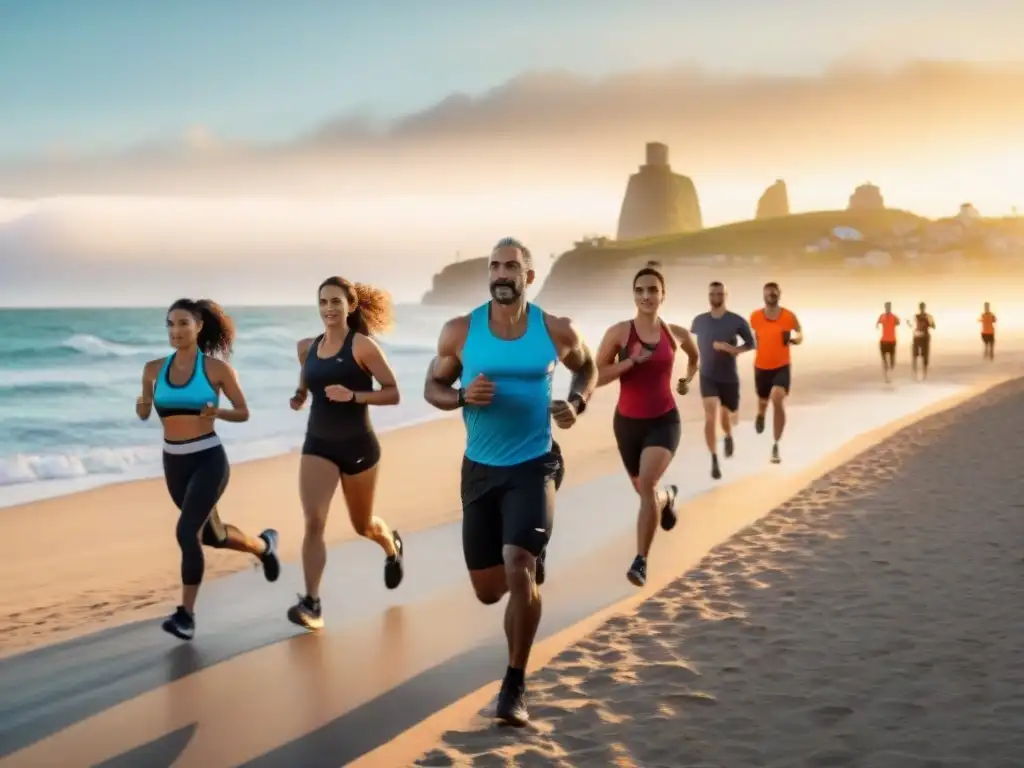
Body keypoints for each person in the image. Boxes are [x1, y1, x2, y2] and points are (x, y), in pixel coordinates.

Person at [423, 237, 597, 727]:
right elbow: (431, 386)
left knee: (518, 564)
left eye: (511, 266)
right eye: (495, 266)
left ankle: (515, 683)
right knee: (488, 590)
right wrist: (460, 397)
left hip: (535, 463)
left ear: (529, 277)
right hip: (480, 469)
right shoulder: (460, 332)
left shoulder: (555, 330)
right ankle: (526, 570)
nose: (502, 273)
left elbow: (588, 368)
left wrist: (577, 403)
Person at [136, 299, 280, 641]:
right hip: (174, 463)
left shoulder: (216, 370)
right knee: (210, 535)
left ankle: (186, 616)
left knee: (186, 532)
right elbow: (144, 412)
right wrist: (141, 404)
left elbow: (243, 412)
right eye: (170, 324)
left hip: (208, 460)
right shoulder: (153, 370)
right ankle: (264, 547)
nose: (176, 331)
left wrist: (217, 413)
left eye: (183, 323)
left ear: (199, 326)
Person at [286, 277, 404, 631]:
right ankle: (312, 602)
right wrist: (300, 395)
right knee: (314, 521)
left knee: (363, 525)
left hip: (357, 446)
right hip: (317, 444)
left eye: (336, 301)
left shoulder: (362, 347)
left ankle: (391, 546)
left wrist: (353, 396)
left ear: (350, 306)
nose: (329, 308)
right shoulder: (306, 347)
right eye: (323, 301)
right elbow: (307, 379)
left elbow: (393, 392)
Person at [595, 261, 698, 585]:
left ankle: (641, 561)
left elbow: (695, 357)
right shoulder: (619, 333)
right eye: (640, 290)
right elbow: (596, 376)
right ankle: (667, 498)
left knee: (647, 485)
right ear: (634, 295)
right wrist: (629, 362)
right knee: (645, 492)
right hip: (627, 425)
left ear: (663, 294)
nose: (646, 295)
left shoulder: (675, 334)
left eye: (653, 290)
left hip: (664, 421)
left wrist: (686, 379)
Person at [689, 281, 755, 480]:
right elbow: (693, 347)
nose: (715, 297)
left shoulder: (736, 321)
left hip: (728, 377)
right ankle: (714, 460)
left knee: (726, 416)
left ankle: (727, 436)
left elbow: (751, 343)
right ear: (708, 296)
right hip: (707, 375)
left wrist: (732, 350)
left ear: (725, 295)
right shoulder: (699, 321)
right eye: (712, 294)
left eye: (719, 293)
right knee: (710, 415)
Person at [749, 282, 803, 464]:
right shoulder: (755, 316)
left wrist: (796, 339)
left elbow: (800, 332)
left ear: (779, 294)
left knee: (777, 398)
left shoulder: (788, 316)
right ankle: (761, 414)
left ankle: (775, 444)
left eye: (774, 292)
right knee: (763, 401)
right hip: (761, 366)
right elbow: (751, 336)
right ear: (764, 295)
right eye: (768, 292)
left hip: (782, 366)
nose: (771, 295)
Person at [907, 302, 936, 380]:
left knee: (925, 356)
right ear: (920, 308)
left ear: (924, 308)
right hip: (917, 337)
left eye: (923, 307)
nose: (922, 308)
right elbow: (911, 325)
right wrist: (909, 324)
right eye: (921, 307)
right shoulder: (916, 316)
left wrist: (929, 321)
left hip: (925, 337)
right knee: (915, 355)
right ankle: (915, 373)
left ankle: (924, 374)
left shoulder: (928, 316)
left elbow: (933, 326)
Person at [876, 302, 900, 382]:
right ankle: (887, 377)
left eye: (889, 307)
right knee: (885, 361)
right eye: (887, 307)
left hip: (892, 341)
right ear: (885, 307)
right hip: (883, 341)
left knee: (892, 361)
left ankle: (890, 374)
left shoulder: (894, 317)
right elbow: (877, 323)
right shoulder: (882, 316)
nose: (888, 308)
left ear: (890, 307)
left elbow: (898, 323)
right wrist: (877, 325)